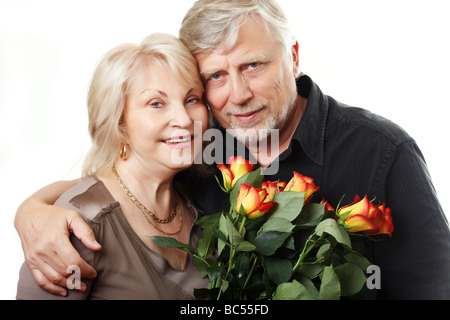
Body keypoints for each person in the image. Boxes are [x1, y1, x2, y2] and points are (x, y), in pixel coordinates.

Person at [15, 0, 450, 299]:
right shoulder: (200, 151)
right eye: (216, 77)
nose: (237, 95)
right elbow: (123, 182)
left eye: (253, 66)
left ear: (293, 57)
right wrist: (33, 208)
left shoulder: (382, 152)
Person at [15, 32, 211, 299]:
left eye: (192, 99)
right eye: (156, 103)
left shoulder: (200, 200)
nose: (184, 119)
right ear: (119, 122)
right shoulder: (80, 226)